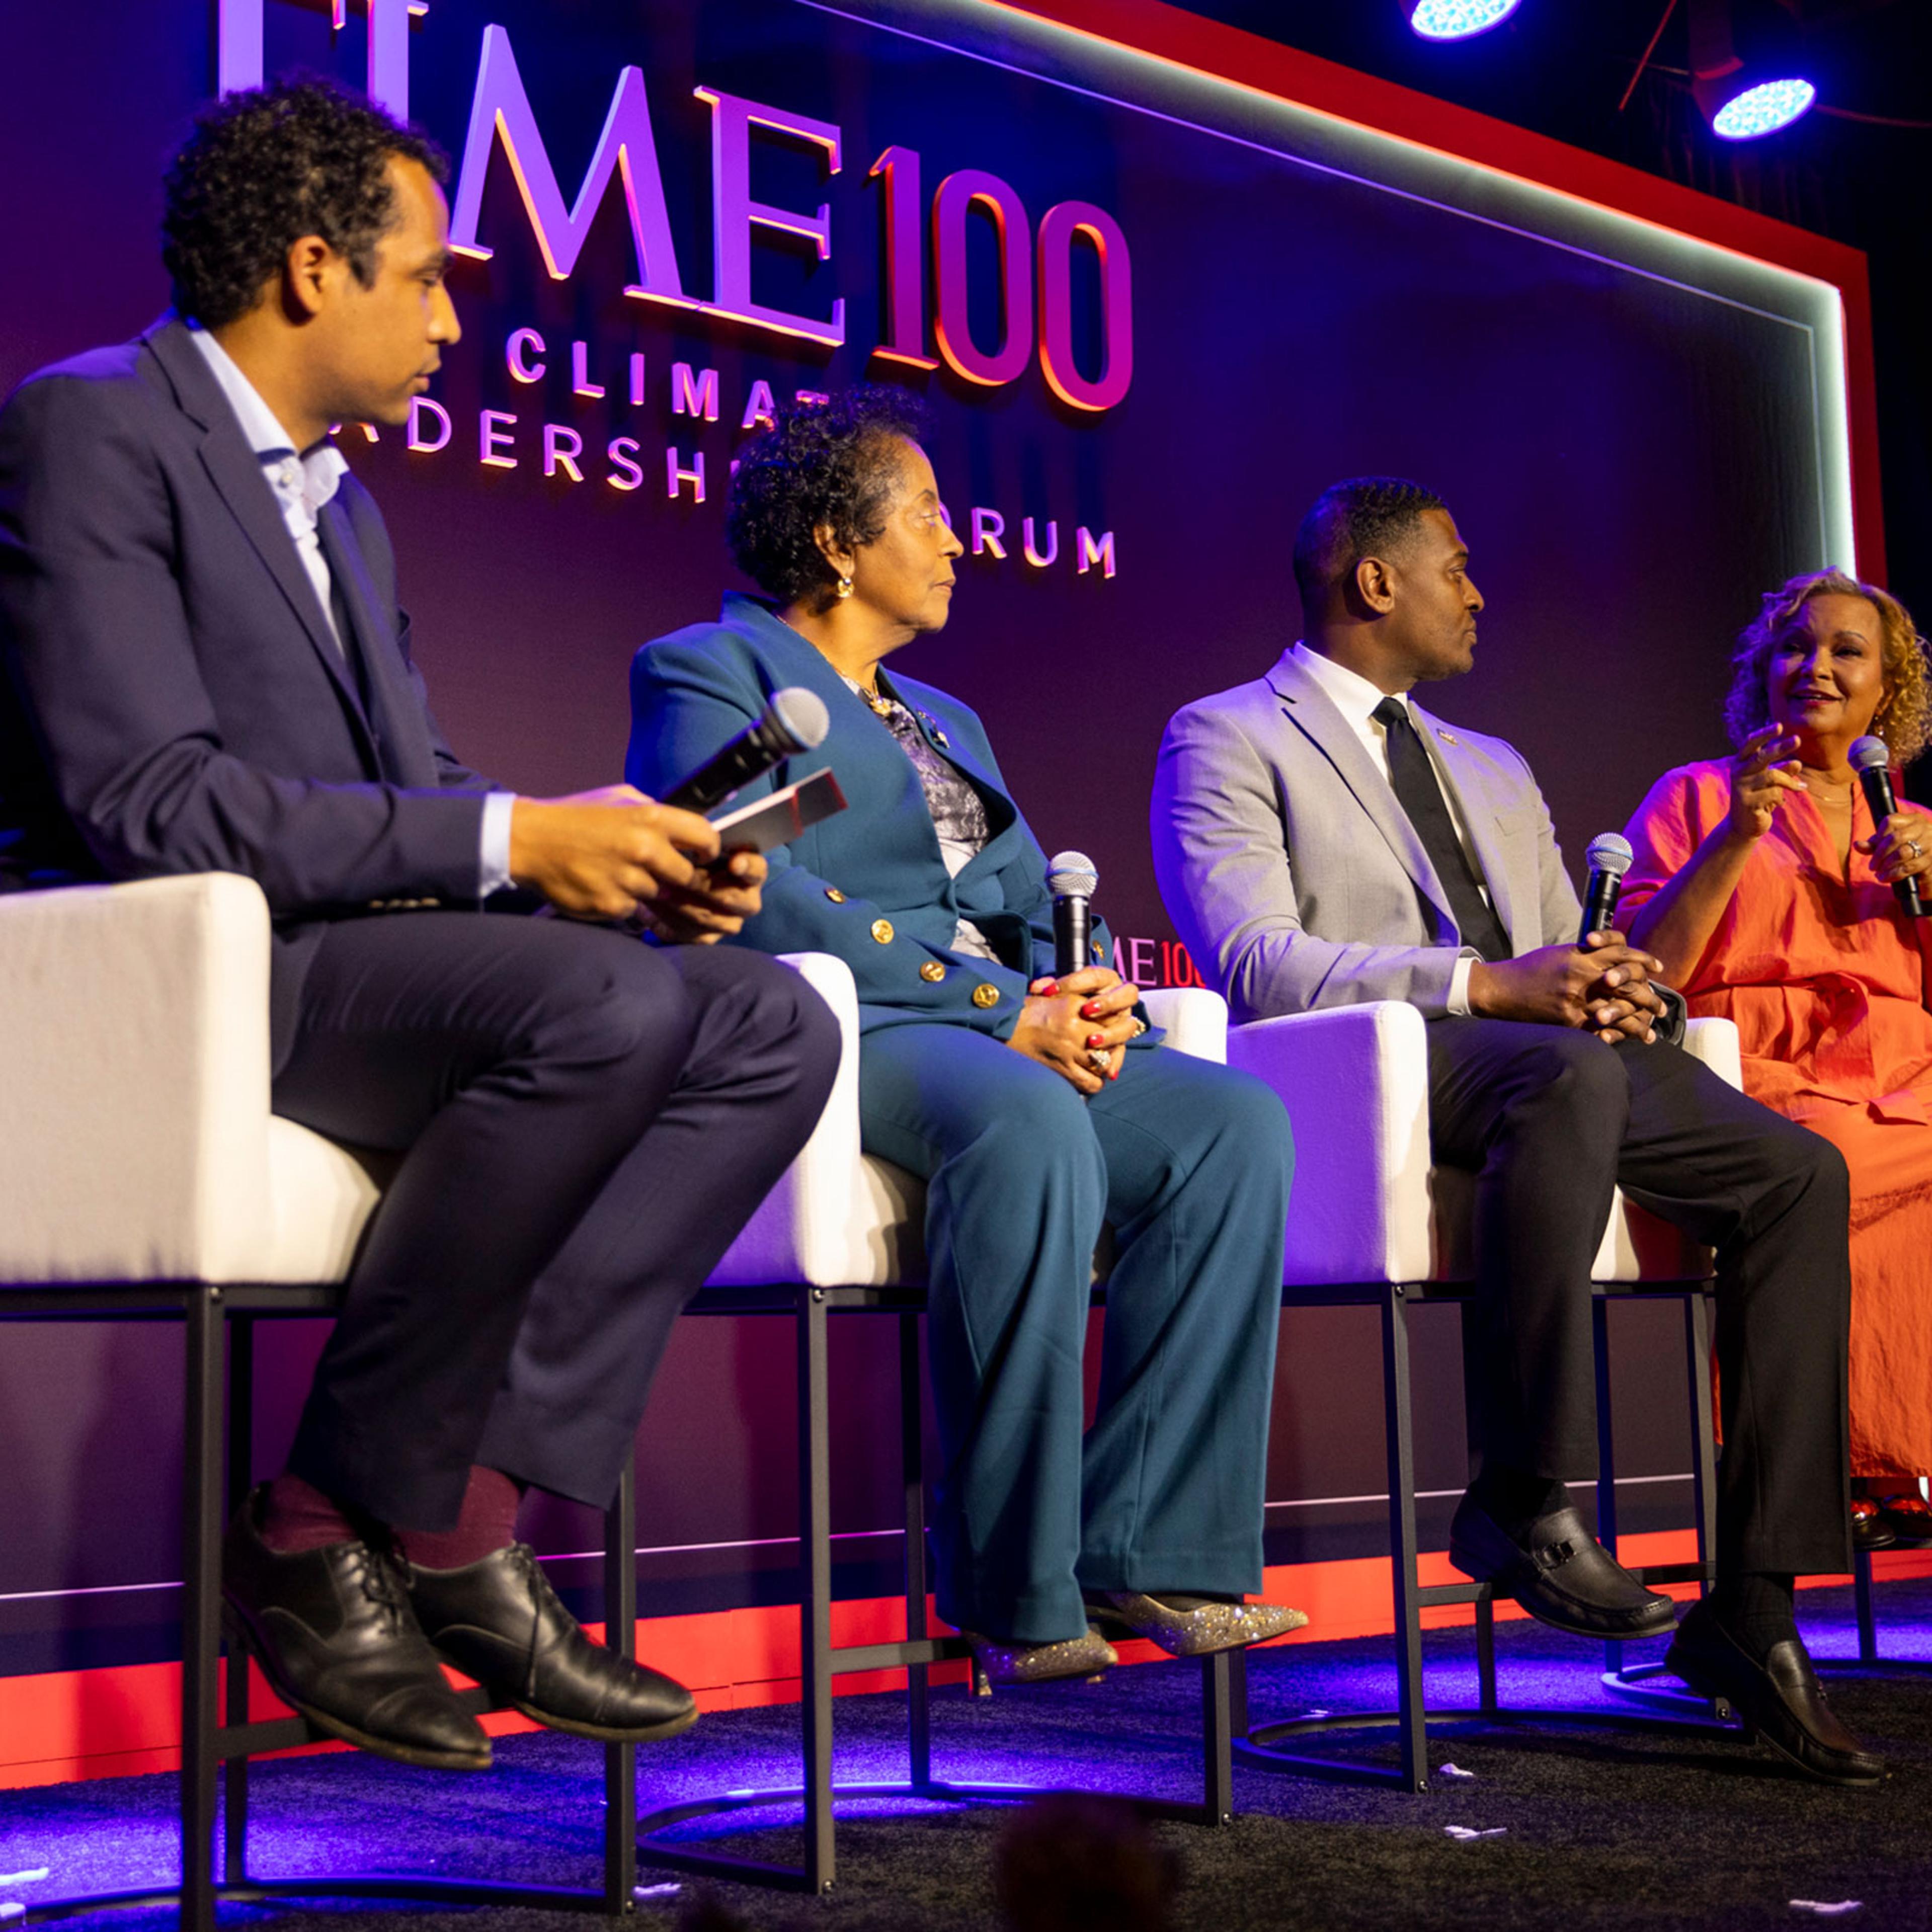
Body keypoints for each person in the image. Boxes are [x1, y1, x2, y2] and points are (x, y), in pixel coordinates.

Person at [0, 78, 840, 1772]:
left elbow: (414, 784)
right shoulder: (91, 427)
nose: (455, 322)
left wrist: (595, 850)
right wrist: (511, 839)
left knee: (773, 1022)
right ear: (314, 268)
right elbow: (145, 798)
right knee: (602, 1009)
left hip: (353, 958)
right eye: (433, 278)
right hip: (183, 980)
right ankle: (314, 1528)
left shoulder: (344, 505)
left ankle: (458, 1512)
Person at [1152, 476, 1877, 1785]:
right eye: (1458, 569)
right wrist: (1485, 986)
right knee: (1569, 1080)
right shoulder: (1227, 734)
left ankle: (1755, 1607)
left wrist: (1619, 985)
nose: (1479, 596)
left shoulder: (1494, 764)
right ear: (1378, 583)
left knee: (1796, 1171)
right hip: (1375, 1062)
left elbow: (1564, 950)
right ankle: (1523, 1493)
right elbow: (1255, 961)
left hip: (1547, 1057)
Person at [625, 388, 1303, 1684]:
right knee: (1027, 1114)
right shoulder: (716, 669)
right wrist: (1004, 1011)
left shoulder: (944, 718)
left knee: (1233, 1125)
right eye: (928, 513)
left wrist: (1090, 989)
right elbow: (746, 885)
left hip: (990, 1026)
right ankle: (1011, 1583)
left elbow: (1030, 898)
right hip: (844, 1019)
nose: (956, 538)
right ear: (838, 541)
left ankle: (1155, 1547)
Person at [1621, 568, 1932, 1553]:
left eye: (1848, 651)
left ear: (1889, 689)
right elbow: (1649, 972)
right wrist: (1736, 837)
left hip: (1906, 1070)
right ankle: (1852, 1468)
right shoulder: (1697, 796)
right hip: (1760, 1068)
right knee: (1827, 1164)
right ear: (1764, 670)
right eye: (1796, 647)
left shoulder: (1915, 829)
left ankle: (1883, 1464)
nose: (1818, 667)